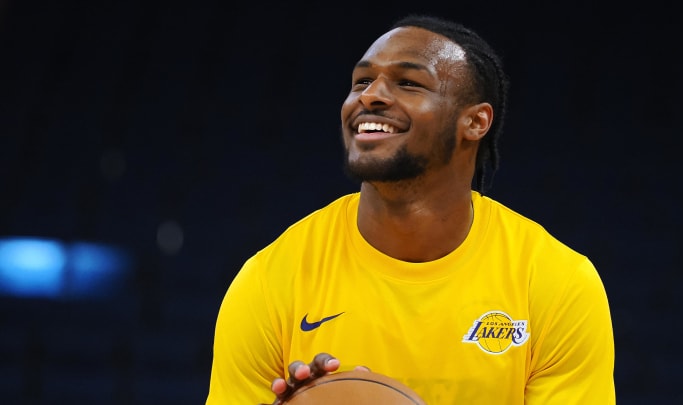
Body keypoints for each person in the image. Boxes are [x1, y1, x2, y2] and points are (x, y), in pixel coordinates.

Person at [206, 14, 615, 404]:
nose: (370, 95)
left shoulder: (556, 284)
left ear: (475, 122)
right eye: (361, 81)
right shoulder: (271, 280)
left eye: (408, 83)